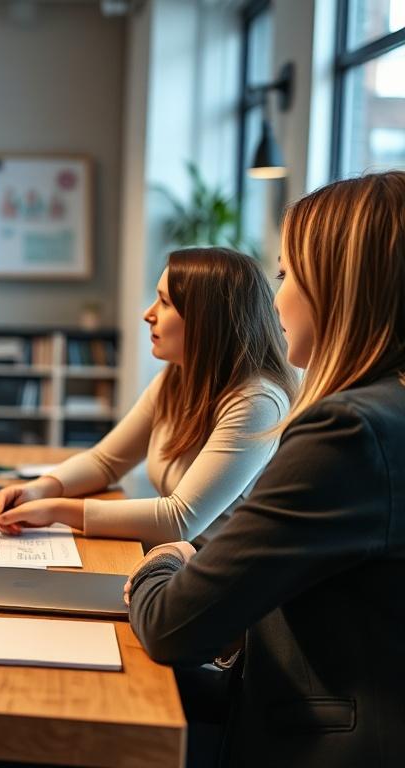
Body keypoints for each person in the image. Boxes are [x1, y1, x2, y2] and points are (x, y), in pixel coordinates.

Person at [126, 171, 405, 766]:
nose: (274, 299)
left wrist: (166, 560)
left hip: (305, 738)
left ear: (338, 286)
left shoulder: (349, 430)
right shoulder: (387, 411)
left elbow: (172, 626)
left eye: (285, 275)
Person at [0, 247, 296, 549]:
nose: (147, 314)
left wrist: (56, 510)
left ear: (207, 321)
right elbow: (106, 461)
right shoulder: (177, 378)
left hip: (222, 573)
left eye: (164, 302)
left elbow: (180, 520)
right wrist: (39, 489)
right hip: (180, 556)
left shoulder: (258, 402)